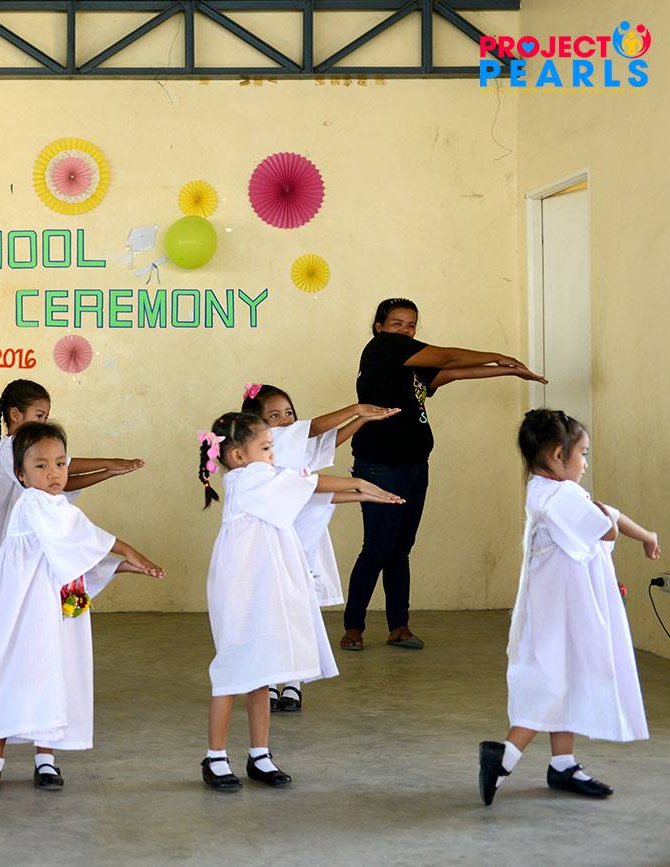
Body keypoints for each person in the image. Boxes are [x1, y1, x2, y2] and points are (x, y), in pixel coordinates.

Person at [198, 412, 403, 791]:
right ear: (238, 456)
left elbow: (306, 495)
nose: (273, 454)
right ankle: (215, 757)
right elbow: (305, 484)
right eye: (266, 448)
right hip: (241, 589)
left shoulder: (266, 481)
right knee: (232, 670)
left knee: (261, 671)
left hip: (262, 588)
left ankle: (259, 754)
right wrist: (358, 482)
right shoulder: (248, 480)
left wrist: (361, 494)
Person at [341, 297, 546, 652]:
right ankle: (353, 628)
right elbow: (449, 358)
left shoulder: (409, 366)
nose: (405, 330)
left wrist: (507, 370)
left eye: (411, 325)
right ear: (379, 327)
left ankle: (399, 627)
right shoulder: (384, 348)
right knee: (377, 547)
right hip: (381, 465)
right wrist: (497, 355)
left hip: (414, 465)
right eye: (397, 323)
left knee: (400, 549)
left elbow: (453, 373)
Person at [0, 421, 164, 792]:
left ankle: (46, 759)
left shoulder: (58, 506)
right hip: (20, 615)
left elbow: (76, 557)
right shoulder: (32, 503)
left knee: (51, 677)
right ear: (21, 474)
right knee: (9, 675)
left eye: (60, 464)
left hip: (51, 614)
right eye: (41, 466)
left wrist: (121, 566)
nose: (54, 473)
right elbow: (84, 539)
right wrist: (128, 552)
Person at [478, 410, 658, 806]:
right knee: (552, 684)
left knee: (566, 678)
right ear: (559, 455)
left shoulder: (544, 490)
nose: (586, 464)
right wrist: (611, 519)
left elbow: (605, 512)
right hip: (562, 614)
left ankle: (563, 763)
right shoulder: (561, 496)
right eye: (583, 454)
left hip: (560, 611)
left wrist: (646, 535)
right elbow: (606, 527)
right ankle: (504, 756)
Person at [0, 379, 144, 709]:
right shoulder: (11, 450)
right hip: (5, 545)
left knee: (34, 613)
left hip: (34, 545)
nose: (43, 423)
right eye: (39, 415)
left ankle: (26, 684)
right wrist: (108, 462)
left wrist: (109, 471)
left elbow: (64, 479)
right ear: (15, 414)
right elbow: (64, 469)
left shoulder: (43, 475)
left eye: (46, 417)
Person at [240, 383, 398, 712]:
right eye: (274, 416)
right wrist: (355, 409)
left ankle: (293, 682)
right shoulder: (266, 452)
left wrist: (361, 421)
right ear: (256, 426)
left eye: (289, 413)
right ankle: (268, 681)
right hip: (271, 539)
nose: (285, 421)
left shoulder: (291, 448)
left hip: (301, 533)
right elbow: (312, 431)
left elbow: (322, 444)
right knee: (270, 612)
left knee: (298, 611)